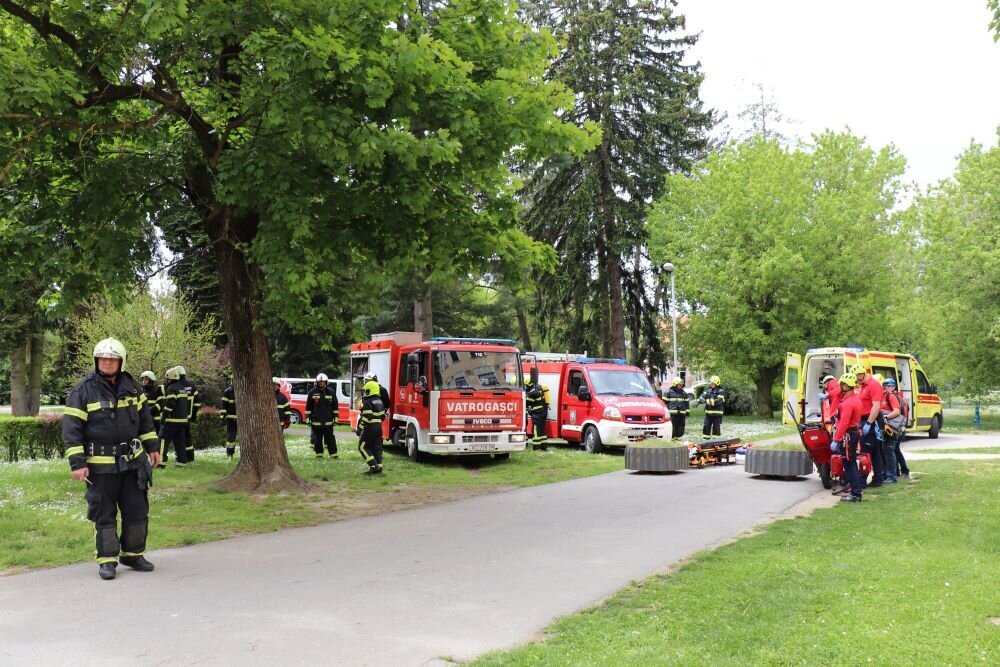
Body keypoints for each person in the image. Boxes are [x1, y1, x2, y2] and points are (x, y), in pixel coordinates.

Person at [62, 338, 160, 579]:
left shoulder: (134, 387)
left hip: (133, 463)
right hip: (100, 467)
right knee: (104, 513)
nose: (107, 362)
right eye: (103, 358)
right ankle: (107, 559)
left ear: (121, 361)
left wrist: (153, 446)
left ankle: (133, 554)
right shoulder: (83, 390)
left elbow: (145, 420)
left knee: (137, 510)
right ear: (97, 361)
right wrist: (78, 463)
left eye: (112, 358)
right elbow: (71, 429)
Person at [830, 372, 864, 503]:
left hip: (847, 436)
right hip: (852, 434)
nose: (840, 387)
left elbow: (844, 423)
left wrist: (836, 440)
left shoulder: (848, 403)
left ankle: (855, 493)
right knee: (851, 463)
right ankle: (855, 491)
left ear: (846, 386)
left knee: (849, 464)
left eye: (842, 385)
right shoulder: (854, 400)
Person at [851, 363, 884, 487]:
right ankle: (878, 478)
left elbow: (876, 406)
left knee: (866, 450)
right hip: (865, 419)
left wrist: (869, 423)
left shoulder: (873, 385)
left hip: (871, 419)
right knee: (875, 451)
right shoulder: (863, 386)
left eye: (856, 378)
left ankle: (861, 481)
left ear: (861, 374)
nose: (856, 381)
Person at [161, 366, 197, 467]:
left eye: (167, 379)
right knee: (180, 442)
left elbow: (170, 404)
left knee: (163, 440)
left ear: (170, 378)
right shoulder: (182, 389)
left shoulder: (171, 389)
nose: (166, 381)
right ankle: (181, 462)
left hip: (171, 421)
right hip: (182, 421)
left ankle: (160, 462)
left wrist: (163, 417)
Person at [306, 373, 339, 459]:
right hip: (316, 420)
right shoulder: (312, 392)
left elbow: (335, 405)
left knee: (330, 438)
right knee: (317, 439)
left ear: (326, 382)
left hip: (328, 420)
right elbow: (308, 406)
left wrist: (336, 417)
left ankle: (333, 455)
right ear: (317, 382)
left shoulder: (331, 392)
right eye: (319, 382)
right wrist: (307, 418)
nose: (321, 383)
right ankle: (319, 454)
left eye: (323, 382)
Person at [880, 377, 906, 484]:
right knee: (887, 451)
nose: (886, 387)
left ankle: (892, 476)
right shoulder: (884, 396)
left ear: (894, 386)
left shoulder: (891, 396)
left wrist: (886, 417)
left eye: (889, 385)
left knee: (890, 452)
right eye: (885, 385)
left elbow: (897, 412)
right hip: (886, 428)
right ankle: (890, 474)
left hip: (891, 428)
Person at [357, 380, 386, 474]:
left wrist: (360, 428)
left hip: (370, 427)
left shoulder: (368, 402)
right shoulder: (380, 401)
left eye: (366, 390)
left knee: (362, 447)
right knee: (376, 448)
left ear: (370, 390)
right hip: (379, 428)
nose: (365, 393)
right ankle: (379, 468)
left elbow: (366, 417)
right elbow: (383, 416)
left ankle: (373, 466)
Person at [178, 366, 201, 463]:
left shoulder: (176, 386)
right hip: (188, 417)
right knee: (188, 437)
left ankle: (182, 458)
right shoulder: (192, 386)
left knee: (180, 438)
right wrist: (194, 416)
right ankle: (190, 457)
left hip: (178, 417)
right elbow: (197, 404)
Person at [524, 374, 551, 451]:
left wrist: (529, 410)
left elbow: (526, 403)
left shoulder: (532, 393)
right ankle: (544, 446)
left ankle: (536, 447)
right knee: (542, 430)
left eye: (526, 386)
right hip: (543, 413)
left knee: (536, 430)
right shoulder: (540, 389)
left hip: (537, 414)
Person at [139, 371, 164, 451]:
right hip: (144, 419)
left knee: (156, 439)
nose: (144, 381)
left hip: (155, 419)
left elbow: (160, 404)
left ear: (151, 379)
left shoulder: (158, 389)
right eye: (143, 379)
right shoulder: (141, 390)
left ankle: (157, 454)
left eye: (146, 379)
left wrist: (149, 411)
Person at [701, 375, 725, 440]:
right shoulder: (708, 390)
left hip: (717, 415)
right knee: (706, 427)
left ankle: (716, 441)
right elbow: (702, 396)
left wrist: (709, 401)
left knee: (716, 428)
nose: (711, 384)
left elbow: (718, 401)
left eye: (713, 383)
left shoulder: (721, 391)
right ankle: (705, 441)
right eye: (711, 383)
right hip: (708, 414)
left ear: (717, 383)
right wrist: (701, 400)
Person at [220, 378, 238, 459]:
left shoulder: (242, 391)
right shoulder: (227, 392)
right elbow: (224, 406)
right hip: (231, 419)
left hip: (241, 420)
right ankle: (229, 454)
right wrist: (222, 416)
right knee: (231, 437)